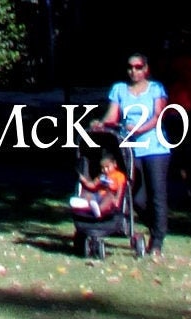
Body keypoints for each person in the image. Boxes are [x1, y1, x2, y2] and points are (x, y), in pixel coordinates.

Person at [96, 49, 172, 257]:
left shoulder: (156, 89)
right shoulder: (119, 89)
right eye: (130, 67)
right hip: (131, 150)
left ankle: (157, 241)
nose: (134, 71)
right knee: (135, 197)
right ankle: (156, 226)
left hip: (156, 148)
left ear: (146, 69)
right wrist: (102, 124)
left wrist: (139, 129)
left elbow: (158, 116)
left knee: (157, 194)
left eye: (138, 67)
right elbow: (112, 115)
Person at [69, 145, 130, 262]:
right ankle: (83, 205)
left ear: (114, 164)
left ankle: (99, 210)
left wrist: (117, 199)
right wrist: (83, 180)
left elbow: (120, 189)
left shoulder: (119, 176)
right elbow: (92, 185)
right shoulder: (102, 176)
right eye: (103, 168)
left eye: (107, 167)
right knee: (88, 194)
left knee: (109, 196)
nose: (105, 170)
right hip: (98, 197)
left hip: (111, 199)